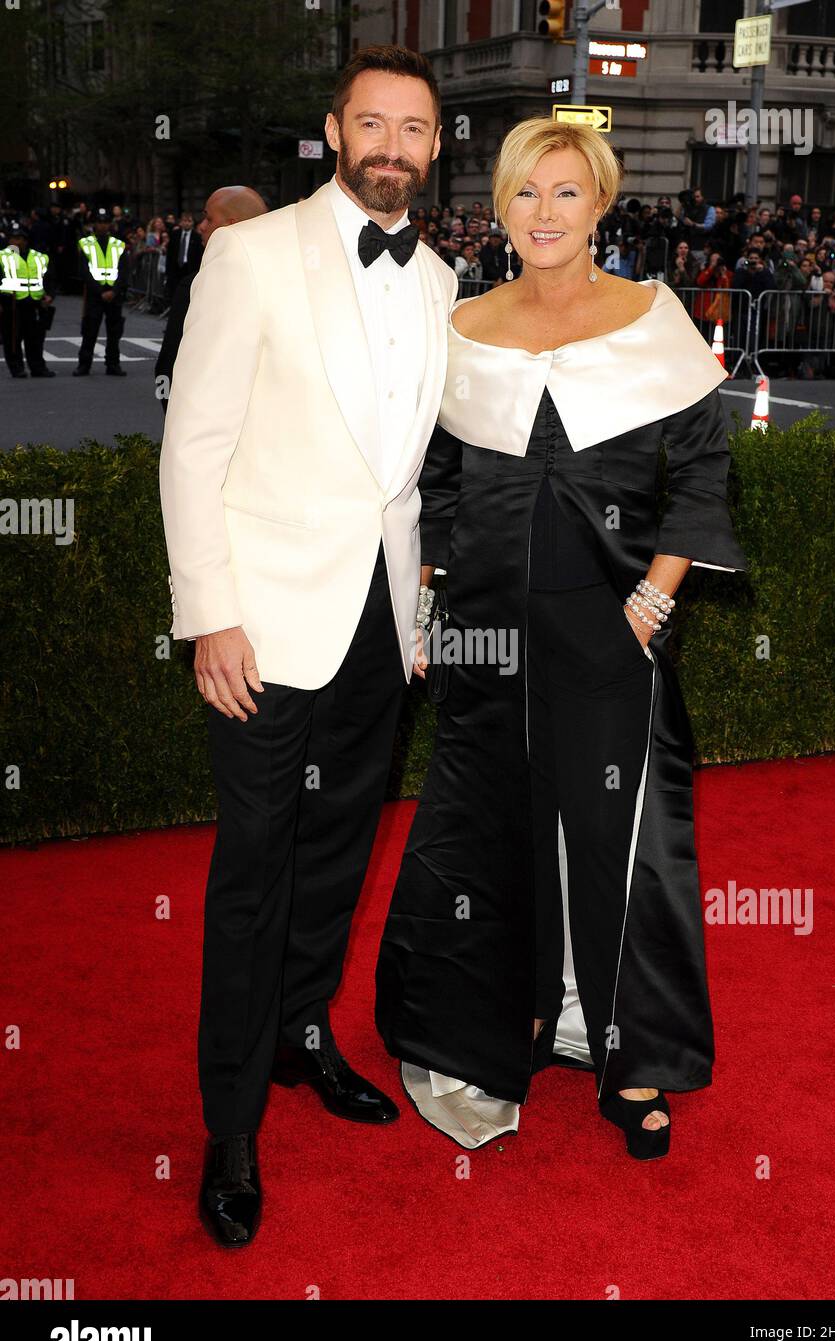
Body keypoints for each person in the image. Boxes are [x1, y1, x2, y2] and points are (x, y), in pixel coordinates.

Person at [376, 117, 748, 1156]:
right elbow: (436, 487)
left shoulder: (652, 317)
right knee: (480, 827)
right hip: (482, 629)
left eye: (566, 193)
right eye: (525, 193)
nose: (545, 213)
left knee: (613, 841)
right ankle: (497, 1029)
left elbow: (704, 473)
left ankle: (628, 1058)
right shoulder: (460, 324)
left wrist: (658, 595)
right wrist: (426, 603)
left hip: (604, 624)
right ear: (499, 206)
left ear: (600, 204)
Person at [159, 44, 457, 1249]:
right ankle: (229, 1123)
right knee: (250, 877)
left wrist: (423, 609)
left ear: (436, 149)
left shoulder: (441, 278)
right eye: (372, 123)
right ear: (336, 130)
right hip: (265, 625)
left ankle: (302, 1035)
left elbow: (416, 480)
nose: (392, 145)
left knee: (337, 859)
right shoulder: (251, 252)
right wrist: (208, 610)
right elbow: (193, 443)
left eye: (415, 129)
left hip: (381, 625)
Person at [155, 186, 268, 412]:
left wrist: (174, 415)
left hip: (210, 419)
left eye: (208, 218)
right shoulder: (291, 279)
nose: (201, 227)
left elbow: (169, 364)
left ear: (231, 225)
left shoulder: (198, 285)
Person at [73, 207, 129, 376]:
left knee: (114, 332)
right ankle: (84, 364)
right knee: (90, 331)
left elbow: (124, 270)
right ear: (94, 224)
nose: (102, 226)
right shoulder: (85, 243)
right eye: (99, 222)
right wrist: (100, 292)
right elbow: (84, 271)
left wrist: (115, 290)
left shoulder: (118, 244)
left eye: (105, 222)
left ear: (109, 224)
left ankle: (113, 364)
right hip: (95, 293)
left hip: (114, 293)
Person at [0, 221, 56, 378]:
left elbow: (49, 278)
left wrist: (50, 295)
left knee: (35, 339)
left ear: (25, 240)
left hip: (35, 304)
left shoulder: (39, 257)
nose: (15, 241)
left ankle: (38, 367)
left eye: (18, 238)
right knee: (12, 339)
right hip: (11, 303)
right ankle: (16, 368)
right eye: (12, 238)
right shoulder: (2, 257)